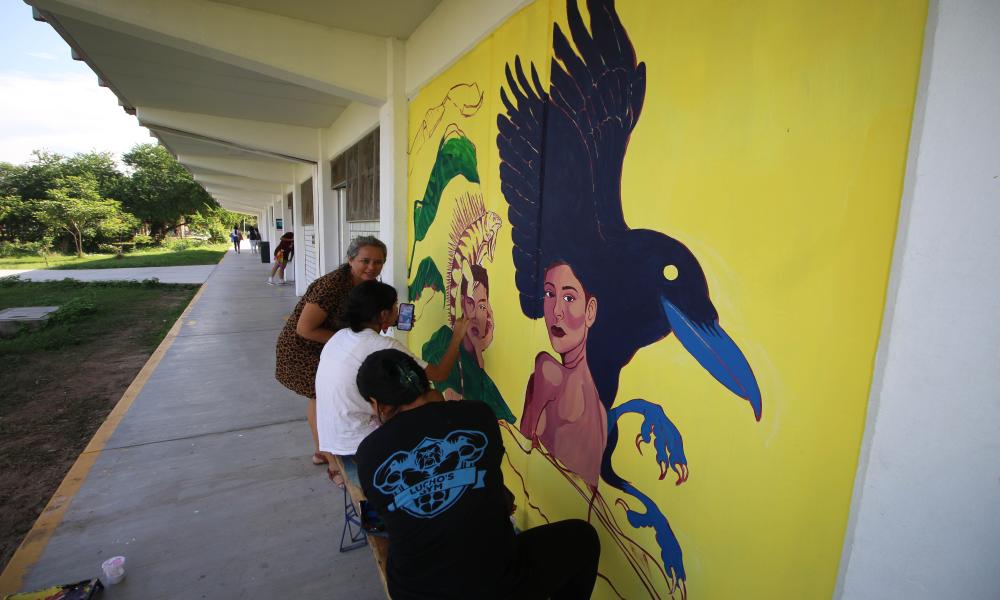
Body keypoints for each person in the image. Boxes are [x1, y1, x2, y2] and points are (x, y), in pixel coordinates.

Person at [356, 349, 601, 600]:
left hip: (414, 592)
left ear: (378, 404)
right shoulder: (477, 415)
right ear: (422, 379)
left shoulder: (368, 454)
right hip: (496, 585)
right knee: (583, 539)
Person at [314, 280, 469, 485]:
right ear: (383, 314)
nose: (399, 309)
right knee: (431, 397)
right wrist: (457, 337)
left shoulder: (339, 337)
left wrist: (389, 323)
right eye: (395, 306)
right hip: (359, 445)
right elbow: (439, 374)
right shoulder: (384, 345)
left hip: (334, 441)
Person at [273, 235, 383, 466]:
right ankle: (324, 454)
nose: (372, 267)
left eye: (378, 262)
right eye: (365, 261)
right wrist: (349, 342)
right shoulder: (331, 286)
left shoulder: (368, 285)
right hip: (303, 350)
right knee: (320, 399)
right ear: (350, 259)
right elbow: (304, 329)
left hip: (330, 347)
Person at [519, 261, 606, 490]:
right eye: (549, 294)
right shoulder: (601, 413)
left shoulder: (548, 371)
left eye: (569, 298)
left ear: (590, 311)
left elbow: (522, 449)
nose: (556, 310)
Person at [422, 263, 515, 423]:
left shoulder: (478, 364)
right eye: (470, 303)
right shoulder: (442, 344)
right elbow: (450, 396)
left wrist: (479, 352)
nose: (475, 314)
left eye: (482, 306)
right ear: (462, 303)